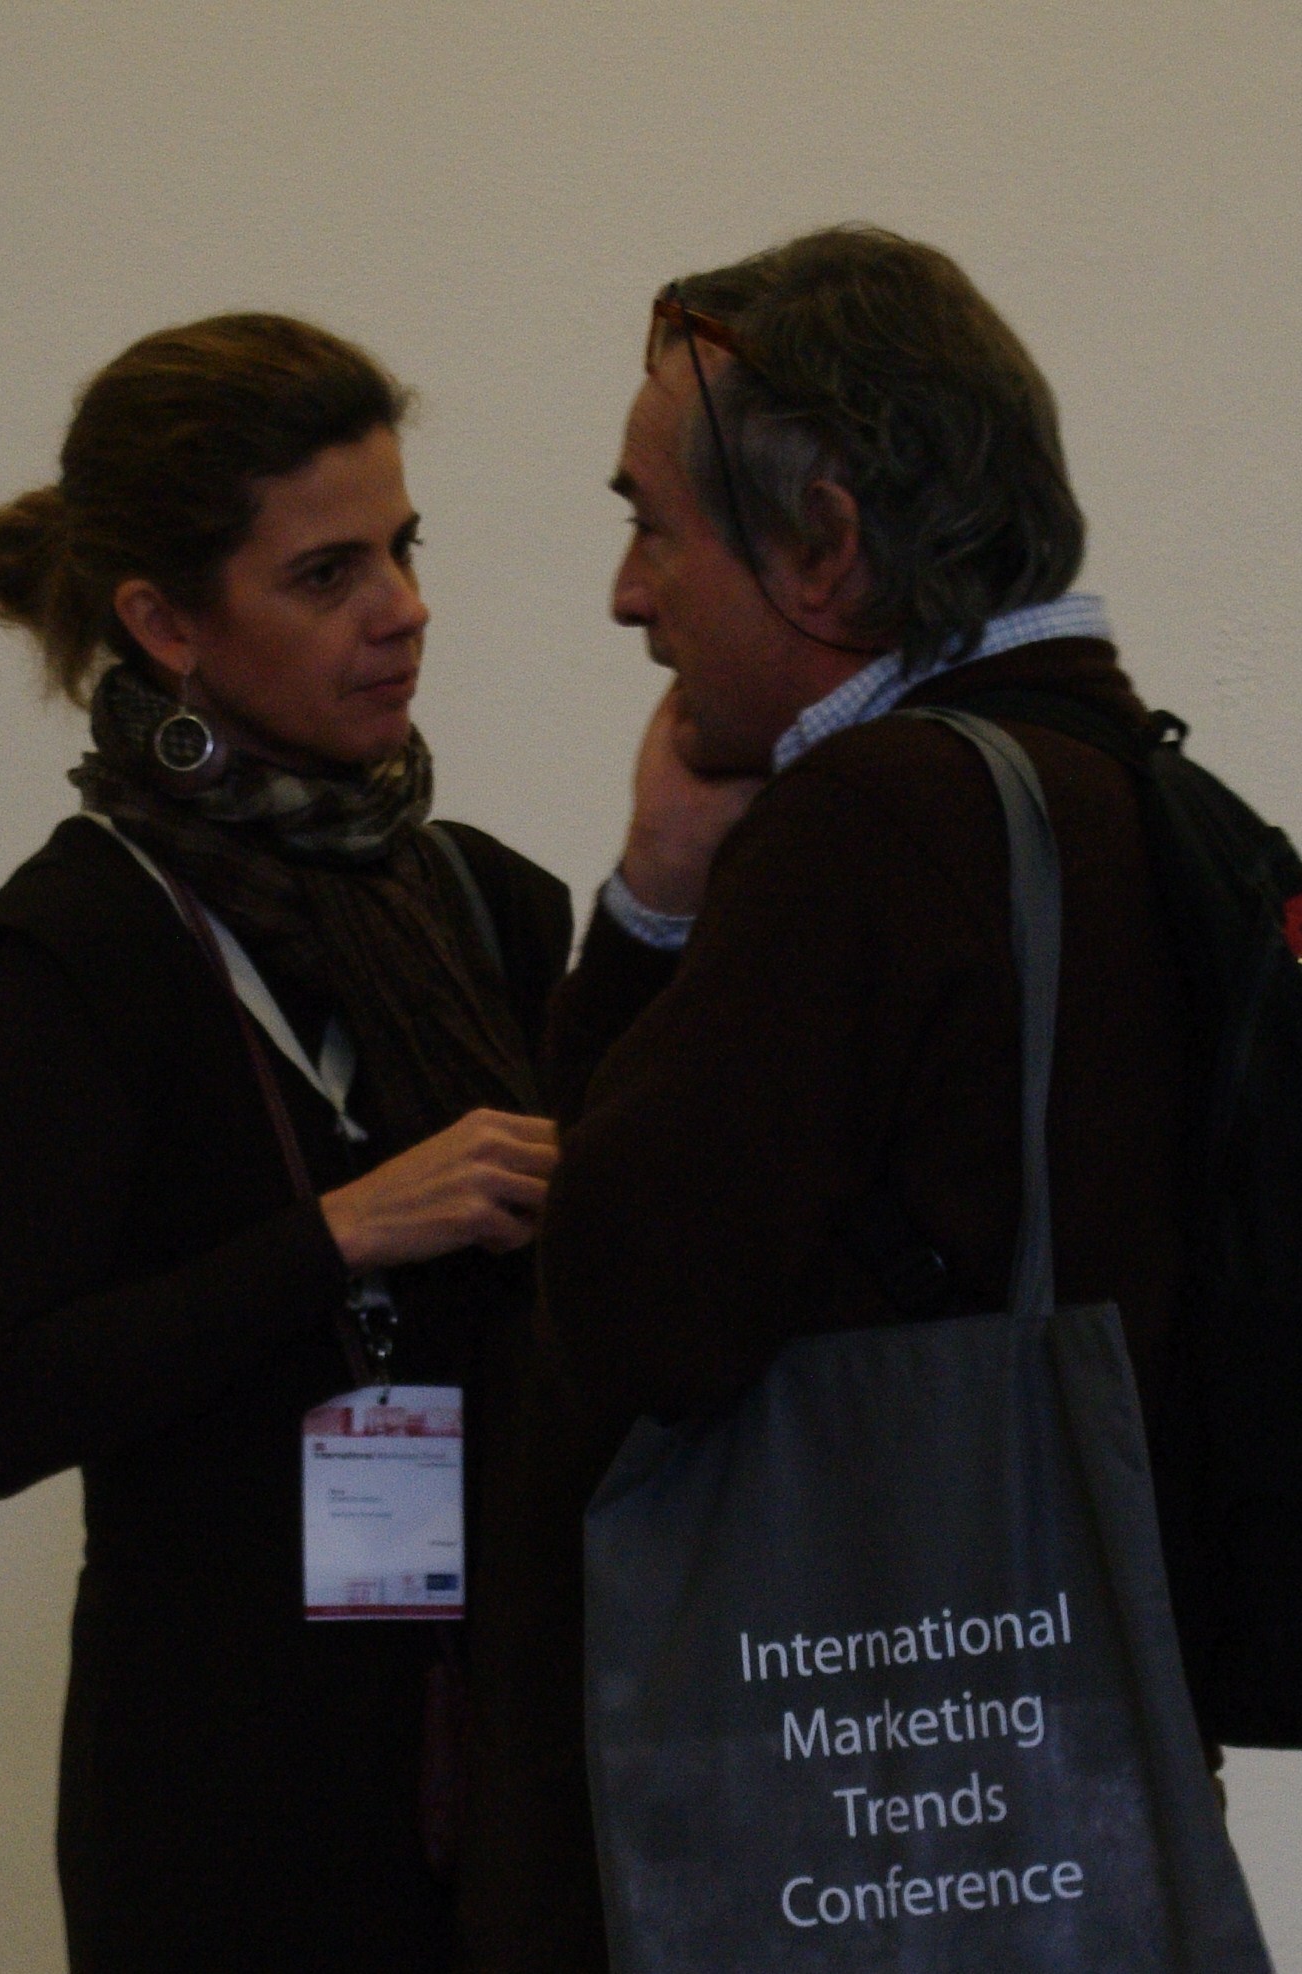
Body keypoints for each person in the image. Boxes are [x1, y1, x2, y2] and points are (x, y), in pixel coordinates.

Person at [461, 226, 1199, 1968]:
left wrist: (651, 906)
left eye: (653, 525)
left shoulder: (871, 822)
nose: (626, 595)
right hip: (1045, 1756)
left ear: (824, 544)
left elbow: (620, 1308)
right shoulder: (1134, 790)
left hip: (827, 1789)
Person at [0, 313, 571, 1973]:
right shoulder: (71, 951)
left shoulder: (489, 906)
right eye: (328, 573)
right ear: (165, 624)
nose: (403, 607)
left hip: (513, 1757)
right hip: (224, 1812)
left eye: (404, 546)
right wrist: (339, 1234)